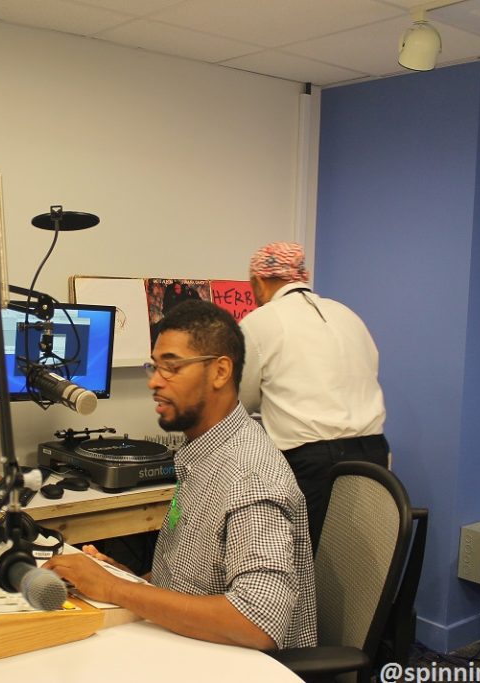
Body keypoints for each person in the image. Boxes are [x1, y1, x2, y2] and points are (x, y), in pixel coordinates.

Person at [45, 300, 316, 650]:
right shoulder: (203, 455)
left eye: (171, 368)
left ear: (220, 372)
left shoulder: (250, 475)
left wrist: (115, 590)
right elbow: (195, 582)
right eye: (154, 367)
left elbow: (258, 620)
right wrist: (121, 577)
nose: (154, 382)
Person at [239, 241, 389, 554]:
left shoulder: (261, 322)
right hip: (374, 455)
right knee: (357, 563)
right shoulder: (348, 315)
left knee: (301, 564)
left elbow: (239, 400)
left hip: (314, 463)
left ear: (258, 281)